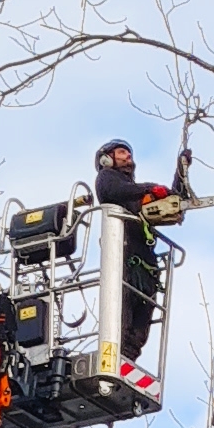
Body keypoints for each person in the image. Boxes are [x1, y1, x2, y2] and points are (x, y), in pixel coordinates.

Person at [92, 138, 178, 363]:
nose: (128, 156)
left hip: (146, 265)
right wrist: (151, 188)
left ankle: (129, 359)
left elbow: (173, 205)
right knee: (123, 313)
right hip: (124, 257)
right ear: (106, 158)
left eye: (129, 153)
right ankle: (117, 356)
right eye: (121, 152)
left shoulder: (137, 195)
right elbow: (117, 190)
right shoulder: (107, 179)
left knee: (142, 319)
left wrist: (180, 173)